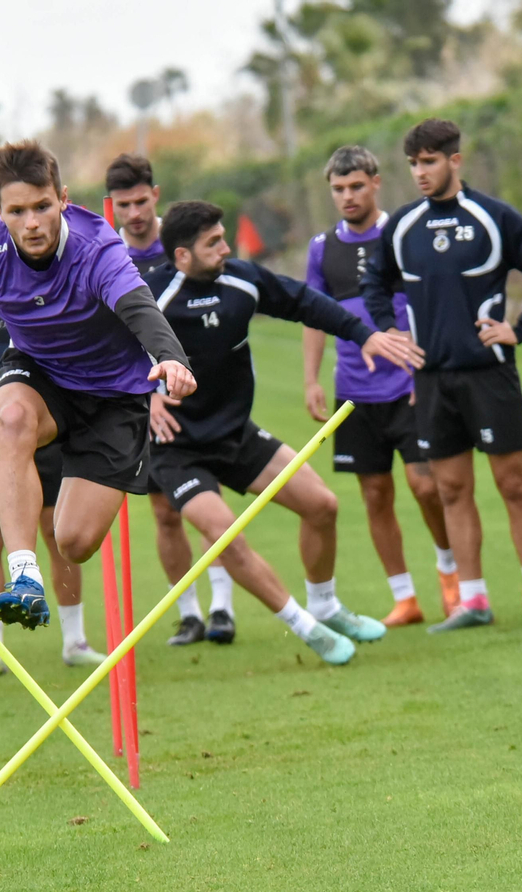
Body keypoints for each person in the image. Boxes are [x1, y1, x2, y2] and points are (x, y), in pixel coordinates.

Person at [0, 140, 196, 633]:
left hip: (114, 397)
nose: (32, 223)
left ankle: (60, 572)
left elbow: (139, 306)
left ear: (63, 198)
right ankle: (24, 576)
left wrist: (171, 358)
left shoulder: (97, 249)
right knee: (11, 418)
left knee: (74, 541)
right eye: (17, 211)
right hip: (41, 373)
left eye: (42, 207)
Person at [144, 200, 424, 663]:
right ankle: (306, 627)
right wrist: (144, 392)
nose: (226, 247)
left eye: (224, 236)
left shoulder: (243, 280)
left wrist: (365, 334)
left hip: (235, 434)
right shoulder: (150, 296)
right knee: (225, 536)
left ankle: (325, 604)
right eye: (213, 242)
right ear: (181, 256)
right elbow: (107, 355)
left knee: (322, 505)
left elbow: (306, 303)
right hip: (177, 449)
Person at [361, 118, 522, 633]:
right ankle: (473, 602)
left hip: (489, 376)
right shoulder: (403, 227)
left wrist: (520, 329)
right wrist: (390, 332)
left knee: (513, 484)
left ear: (455, 160)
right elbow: (374, 284)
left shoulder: (492, 217)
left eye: (429, 161)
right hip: (431, 380)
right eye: (413, 164)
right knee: (451, 488)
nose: (420, 173)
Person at [0, 185, 108, 678]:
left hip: (46, 420)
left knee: (55, 530)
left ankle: (75, 641)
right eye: (5, 216)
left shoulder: (57, 269)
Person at [302, 145, 457, 628]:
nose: (347, 197)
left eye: (355, 187)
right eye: (338, 189)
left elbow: (430, 302)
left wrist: (424, 373)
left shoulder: (403, 234)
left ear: (375, 183)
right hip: (355, 392)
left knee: (425, 485)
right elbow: (312, 315)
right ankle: (405, 598)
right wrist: (311, 378)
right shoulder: (322, 248)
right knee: (374, 494)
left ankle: (452, 576)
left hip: (408, 387)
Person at [106, 153, 235, 644]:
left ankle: (223, 606)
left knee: (208, 501)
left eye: (141, 201)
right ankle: (190, 611)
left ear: (155, 195)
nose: (134, 213)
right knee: (163, 512)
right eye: (124, 205)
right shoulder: (106, 253)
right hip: (142, 404)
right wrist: (147, 392)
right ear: (112, 205)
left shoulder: (181, 242)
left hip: (200, 396)